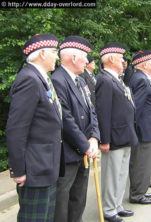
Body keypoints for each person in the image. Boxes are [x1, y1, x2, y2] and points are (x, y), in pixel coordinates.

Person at [6, 34, 62, 222]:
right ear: (42, 53)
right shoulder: (29, 79)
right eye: (54, 52)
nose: (57, 56)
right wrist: (18, 169)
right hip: (35, 168)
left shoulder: (40, 77)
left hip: (46, 165)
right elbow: (16, 129)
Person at [51, 36, 100, 222]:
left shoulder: (80, 81)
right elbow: (65, 119)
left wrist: (94, 137)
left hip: (84, 150)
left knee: (78, 200)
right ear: (72, 58)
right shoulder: (57, 80)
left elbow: (91, 110)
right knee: (63, 203)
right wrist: (85, 145)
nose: (88, 61)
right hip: (68, 153)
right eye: (85, 57)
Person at [95, 43, 138, 222]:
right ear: (111, 59)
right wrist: (104, 139)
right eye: (121, 58)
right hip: (113, 137)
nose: (123, 61)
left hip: (125, 134)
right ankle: (109, 209)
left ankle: (117, 205)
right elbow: (103, 112)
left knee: (121, 173)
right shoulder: (104, 80)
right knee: (111, 175)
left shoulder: (115, 78)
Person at [128, 50, 151, 205]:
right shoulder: (140, 79)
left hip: (148, 127)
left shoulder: (142, 78)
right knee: (142, 162)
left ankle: (141, 190)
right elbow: (137, 108)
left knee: (145, 163)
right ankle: (137, 194)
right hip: (144, 129)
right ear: (145, 64)